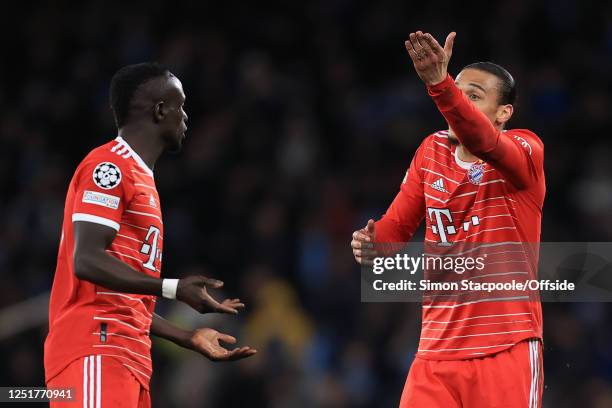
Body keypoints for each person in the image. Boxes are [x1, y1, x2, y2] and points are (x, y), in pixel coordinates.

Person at [44, 62, 256, 408]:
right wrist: (173, 288)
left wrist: (187, 337)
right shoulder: (109, 167)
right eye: (181, 106)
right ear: (160, 110)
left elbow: (123, 297)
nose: (185, 116)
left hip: (130, 358)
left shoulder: (144, 181)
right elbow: (86, 259)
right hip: (96, 349)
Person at [351, 31, 545, 407]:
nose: (458, 103)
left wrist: (440, 85)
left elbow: (484, 140)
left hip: (505, 346)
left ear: (504, 113)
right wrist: (372, 243)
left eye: (473, 96)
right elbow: (395, 229)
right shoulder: (432, 150)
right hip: (435, 354)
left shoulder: (526, 151)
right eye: (458, 91)